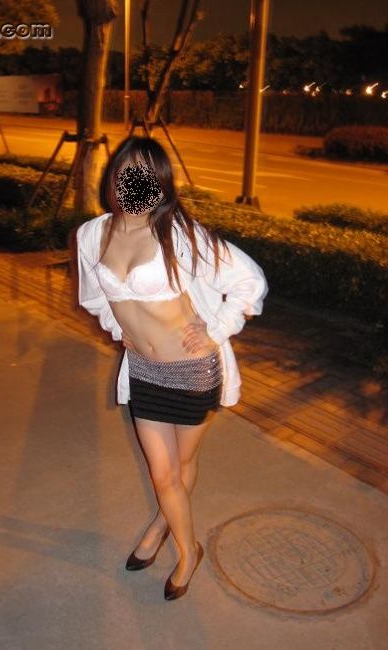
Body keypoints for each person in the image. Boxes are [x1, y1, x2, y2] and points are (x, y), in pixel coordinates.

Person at [76, 135, 268, 601]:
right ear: (115, 176)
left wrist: (216, 329)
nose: (135, 181)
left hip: (191, 371)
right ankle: (184, 542)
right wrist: (117, 328)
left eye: (146, 173)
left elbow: (249, 280)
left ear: (159, 183)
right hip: (144, 371)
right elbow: (94, 297)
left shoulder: (179, 234)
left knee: (179, 466)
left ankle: (176, 543)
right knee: (165, 474)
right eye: (128, 171)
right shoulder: (91, 235)